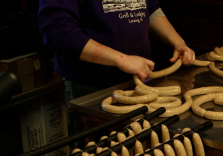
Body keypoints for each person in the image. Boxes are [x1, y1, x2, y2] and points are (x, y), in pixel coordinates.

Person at [38, 0, 196, 92]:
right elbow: (58, 32)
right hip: (91, 88)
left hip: (141, 80)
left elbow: (151, 9)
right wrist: (120, 59)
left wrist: (178, 42)